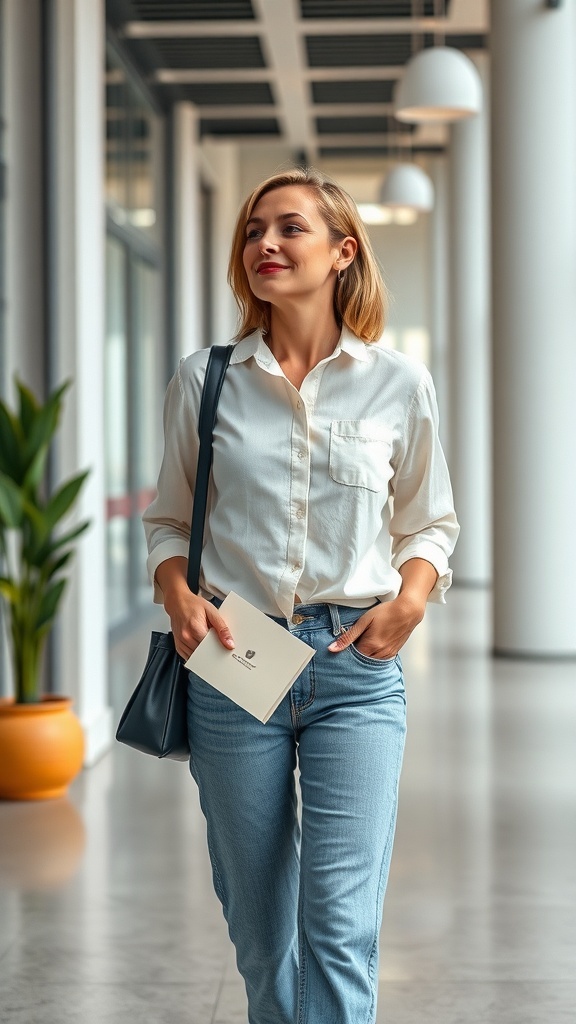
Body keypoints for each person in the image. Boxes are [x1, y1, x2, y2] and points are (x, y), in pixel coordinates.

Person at [143, 167, 459, 1024]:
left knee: (340, 923)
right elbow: (168, 521)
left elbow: (432, 524)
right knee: (258, 923)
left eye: (288, 229)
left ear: (343, 253)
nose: (265, 245)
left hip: (353, 663)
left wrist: (411, 599)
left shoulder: (397, 383)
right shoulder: (205, 380)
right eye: (252, 232)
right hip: (234, 654)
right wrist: (177, 595)